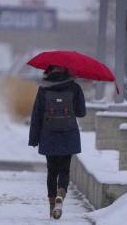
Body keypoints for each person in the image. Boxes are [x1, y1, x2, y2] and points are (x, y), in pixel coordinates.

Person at [28, 65, 86, 219]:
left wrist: (34, 139)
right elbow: (82, 112)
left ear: (48, 71)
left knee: (52, 171)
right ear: (66, 70)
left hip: (49, 134)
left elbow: (36, 116)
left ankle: (52, 204)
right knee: (64, 170)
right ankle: (62, 193)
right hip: (68, 134)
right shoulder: (74, 88)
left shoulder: (43, 88)